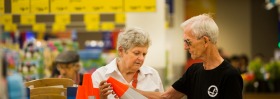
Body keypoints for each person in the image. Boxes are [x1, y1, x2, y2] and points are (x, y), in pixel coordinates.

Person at [137, 14, 243, 99]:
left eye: (188, 42)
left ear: (205, 41)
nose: (185, 47)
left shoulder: (230, 75)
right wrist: (126, 89)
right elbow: (167, 96)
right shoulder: (193, 71)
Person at [91, 27, 164, 99]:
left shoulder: (152, 75)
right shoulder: (100, 75)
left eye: (144, 54)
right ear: (121, 51)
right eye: (136, 53)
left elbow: (164, 97)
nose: (141, 58)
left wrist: (134, 91)